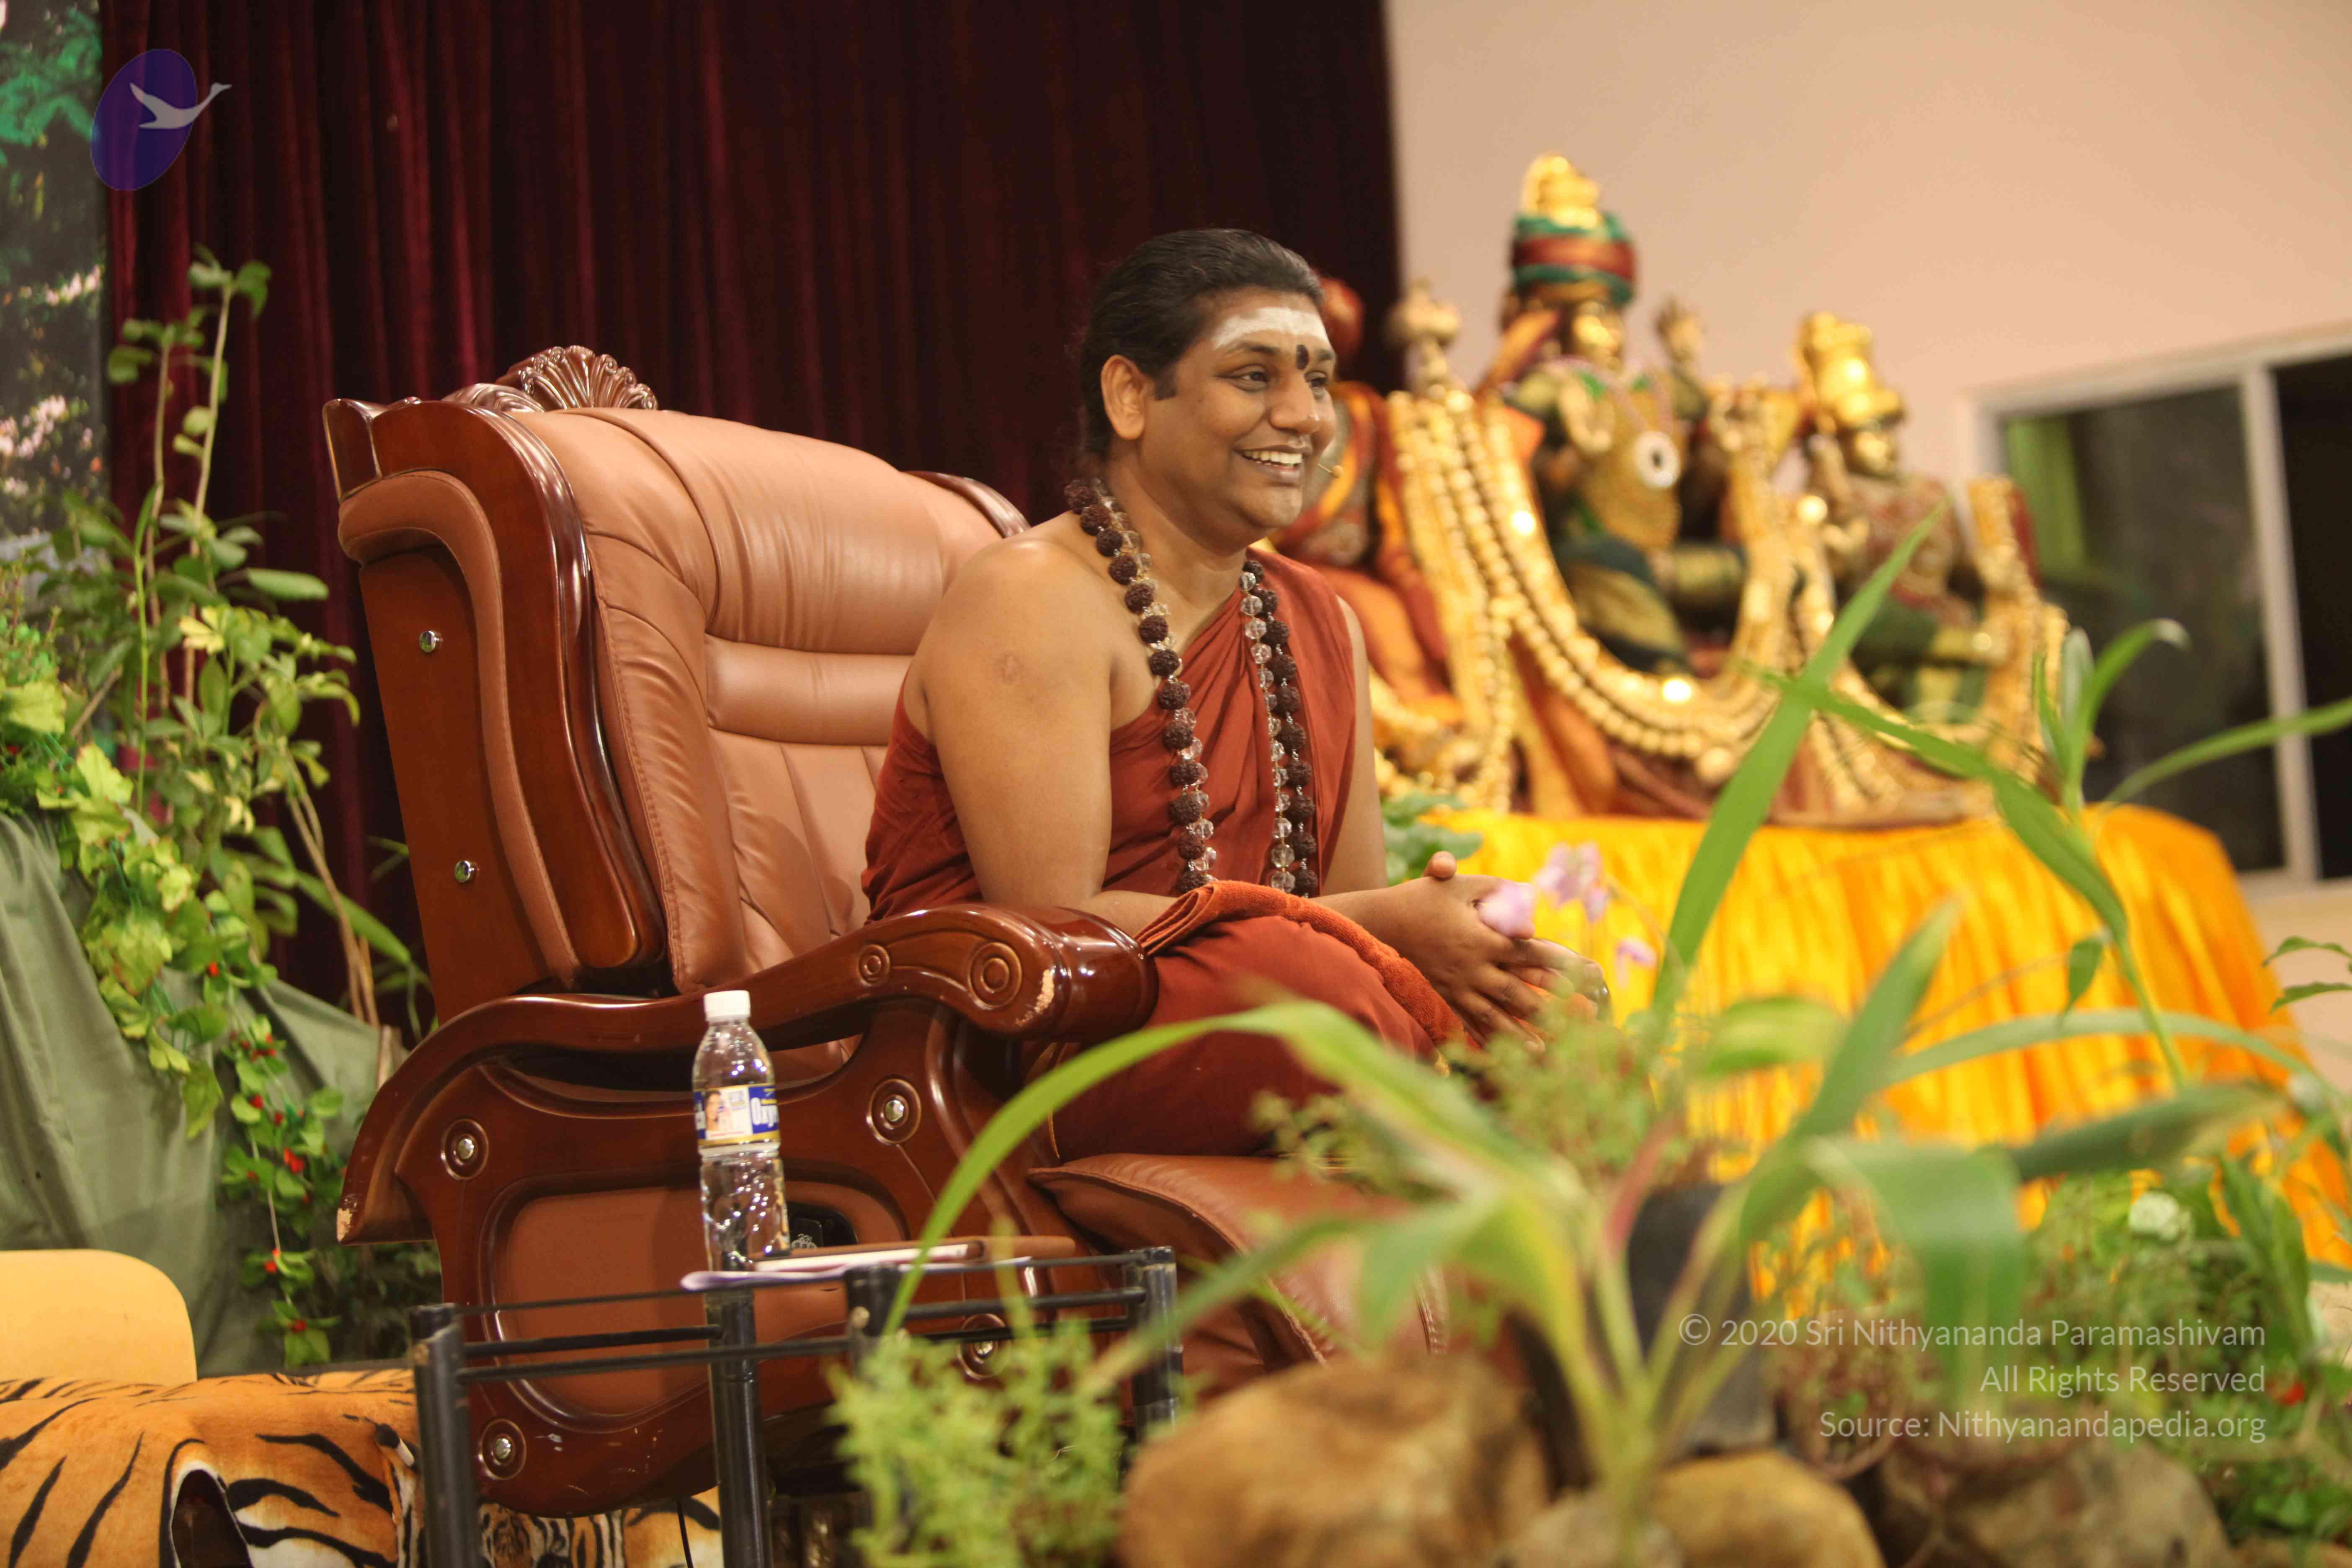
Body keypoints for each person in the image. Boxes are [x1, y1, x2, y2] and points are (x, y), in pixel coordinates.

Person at [863, 228, 1599, 1159]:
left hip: (1272, 1018)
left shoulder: (1318, 618)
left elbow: (1350, 905)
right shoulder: (1032, 596)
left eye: (1319, 380)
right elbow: (1055, 929)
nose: (1305, 417)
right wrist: (1381, 932)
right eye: (1254, 377)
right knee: (1312, 992)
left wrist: (1461, 959)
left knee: (1556, 1022)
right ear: (1131, 397)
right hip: (1028, 1053)